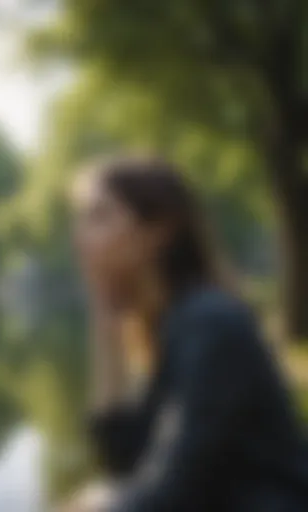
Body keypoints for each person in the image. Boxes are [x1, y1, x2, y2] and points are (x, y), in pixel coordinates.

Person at [64, 155, 308, 512]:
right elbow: (126, 463)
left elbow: (168, 493)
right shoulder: (174, 324)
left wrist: (103, 504)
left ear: (160, 229)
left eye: (100, 216)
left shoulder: (210, 323)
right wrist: (104, 323)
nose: (80, 236)